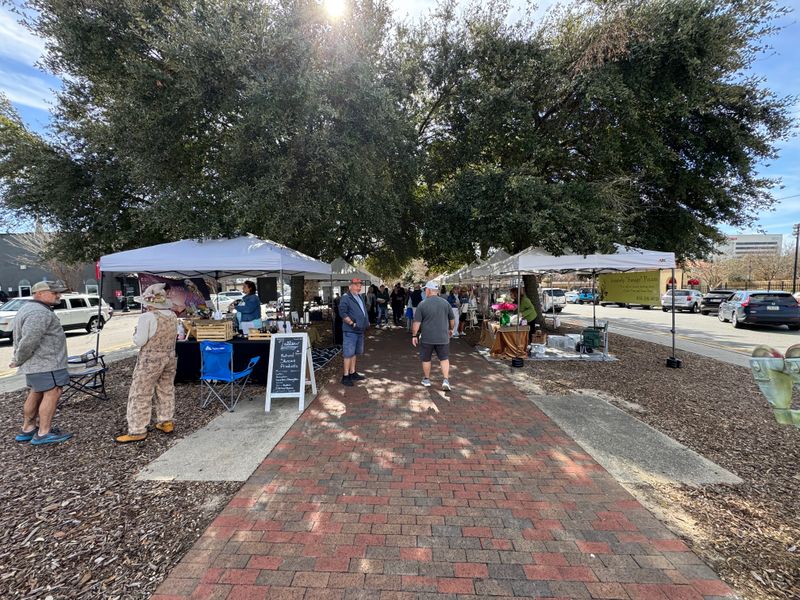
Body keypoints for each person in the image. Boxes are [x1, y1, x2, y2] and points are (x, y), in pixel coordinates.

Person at [11, 281, 73, 445]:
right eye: (54, 293)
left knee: (36, 392)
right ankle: (43, 432)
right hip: (47, 363)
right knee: (53, 392)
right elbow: (29, 340)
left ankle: (28, 428)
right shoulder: (39, 313)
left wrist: (19, 358)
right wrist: (18, 359)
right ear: (39, 293)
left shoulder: (28, 308)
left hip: (37, 364)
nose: (58, 295)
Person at [115, 283, 178, 443]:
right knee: (166, 388)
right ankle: (166, 420)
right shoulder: (172, 315)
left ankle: (137, 429)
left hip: (150, 358)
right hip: (169, 356)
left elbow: (140, 341)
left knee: (141, 392)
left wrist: (135, 333)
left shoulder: (147, 317)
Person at [412, 281, 455, 391]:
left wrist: (414, 335)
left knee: (426, 359)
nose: (425, 291)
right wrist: (451, 329)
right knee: (444, 358)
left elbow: (417, 323)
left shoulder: (422, 304)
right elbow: (452, 319)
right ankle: (446, 380)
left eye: (426, 289)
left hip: (427, 337)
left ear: (428, 290)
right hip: (443, 337)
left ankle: (427, 379)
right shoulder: (446, 303)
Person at [338, 278, 370, 387]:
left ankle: (352, 372)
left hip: (360, 330)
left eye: (360, 285)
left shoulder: (359, 296)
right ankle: (345, 376)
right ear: (350, 286)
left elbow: (363, 311)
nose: (359, 287)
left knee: (355, 353)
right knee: (348, 354)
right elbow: (342, 313)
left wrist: (366, 321)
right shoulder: (346, 298)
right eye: (356, 285)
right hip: (350, 330)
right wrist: (352, 323)